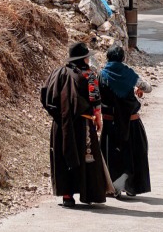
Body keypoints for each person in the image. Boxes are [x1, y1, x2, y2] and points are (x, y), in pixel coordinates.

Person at [41, 42, 113, 207]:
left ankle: (67, 196)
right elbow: (95, 100)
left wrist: (61, 115)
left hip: (60, 124)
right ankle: (87, 193)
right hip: (83, 123)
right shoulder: (89, 75)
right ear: (84, 59)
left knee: (63, 155)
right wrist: (98, 119)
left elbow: (45, 96)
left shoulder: (56, 74)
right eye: (87, 56)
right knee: (85, 156)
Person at [99, 45, 152, 198]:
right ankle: (130, 187)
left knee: (112, 154)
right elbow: (148, 88)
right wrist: (135, 89)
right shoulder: (130, 75)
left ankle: (113, 187)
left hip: (110, 123)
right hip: (131, 122)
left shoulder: (101, 75)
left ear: (107, 58)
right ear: (123, 59)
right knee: (135, 153)